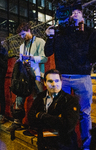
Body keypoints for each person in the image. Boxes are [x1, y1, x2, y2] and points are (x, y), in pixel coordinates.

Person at [44, 5, 96, 150]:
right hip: (63, 78)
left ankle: (86, 147)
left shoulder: (90, 32)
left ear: (83, 16)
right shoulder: (59, 31)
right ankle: (67, 144)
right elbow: (48, 52)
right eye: (72, 13)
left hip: (83, 77)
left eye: (78, 12)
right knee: (64, 112)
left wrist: (88, 63)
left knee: (84, 113)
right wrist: (49, 36)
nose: (74, 15)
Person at [7, 22, 48, 131]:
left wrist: (31, 58)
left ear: (29, 30)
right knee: (19, 98)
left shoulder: (40, 41)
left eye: (23, 34)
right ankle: (17, 122)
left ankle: (36, 126)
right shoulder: (22, 46)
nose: (22, 37)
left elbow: (44, 58)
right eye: (20, 35)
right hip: (25, 75)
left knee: (37, 100)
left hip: (37, 75)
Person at [28, 69, 79, 150]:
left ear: (61, 82)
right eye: (50, 81)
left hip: (63, 146)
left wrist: (41, 115)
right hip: (43, 144)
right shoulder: (40, 97)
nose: (54, 84)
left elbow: (68, 125)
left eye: (57, 81)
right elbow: (31, 119)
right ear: (45, 83)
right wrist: (57, 119)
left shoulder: (70, 100)